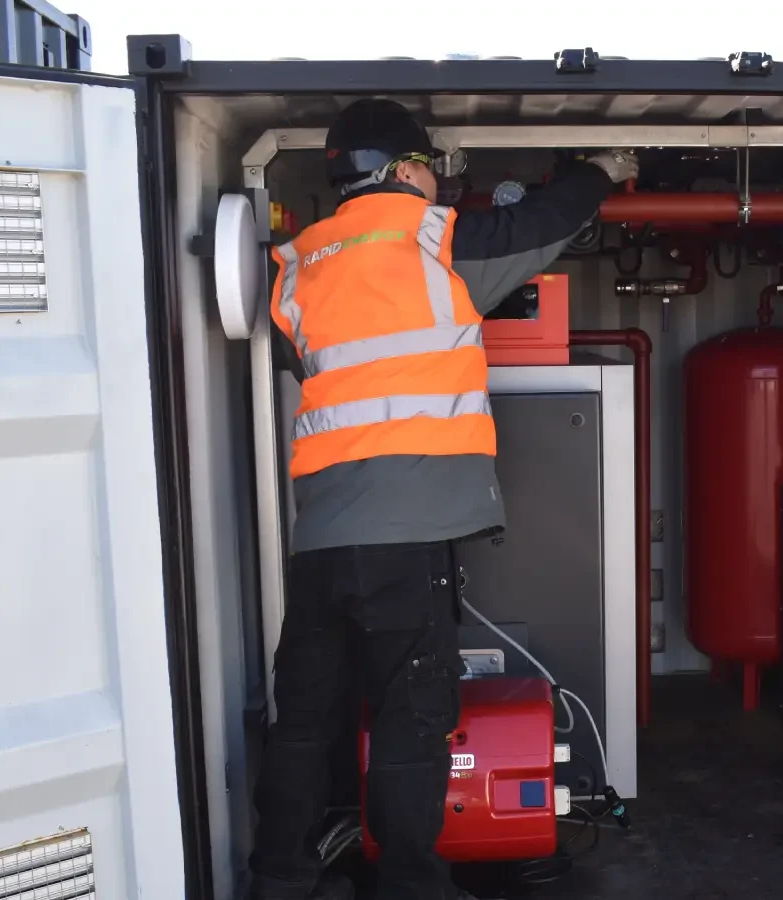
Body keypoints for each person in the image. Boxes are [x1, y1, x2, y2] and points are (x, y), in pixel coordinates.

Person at [251, 98, 638, 900]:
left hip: (321, 536)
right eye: (429, 164)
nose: (436, 179)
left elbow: (321, 365)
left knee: (304, 720)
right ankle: (412, 888)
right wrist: (604, 172)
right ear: (401, 169)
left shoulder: (298, 264)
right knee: (412, 719)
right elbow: (545, 224)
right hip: (410, 530)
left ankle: (276, 880)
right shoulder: (436, 238)